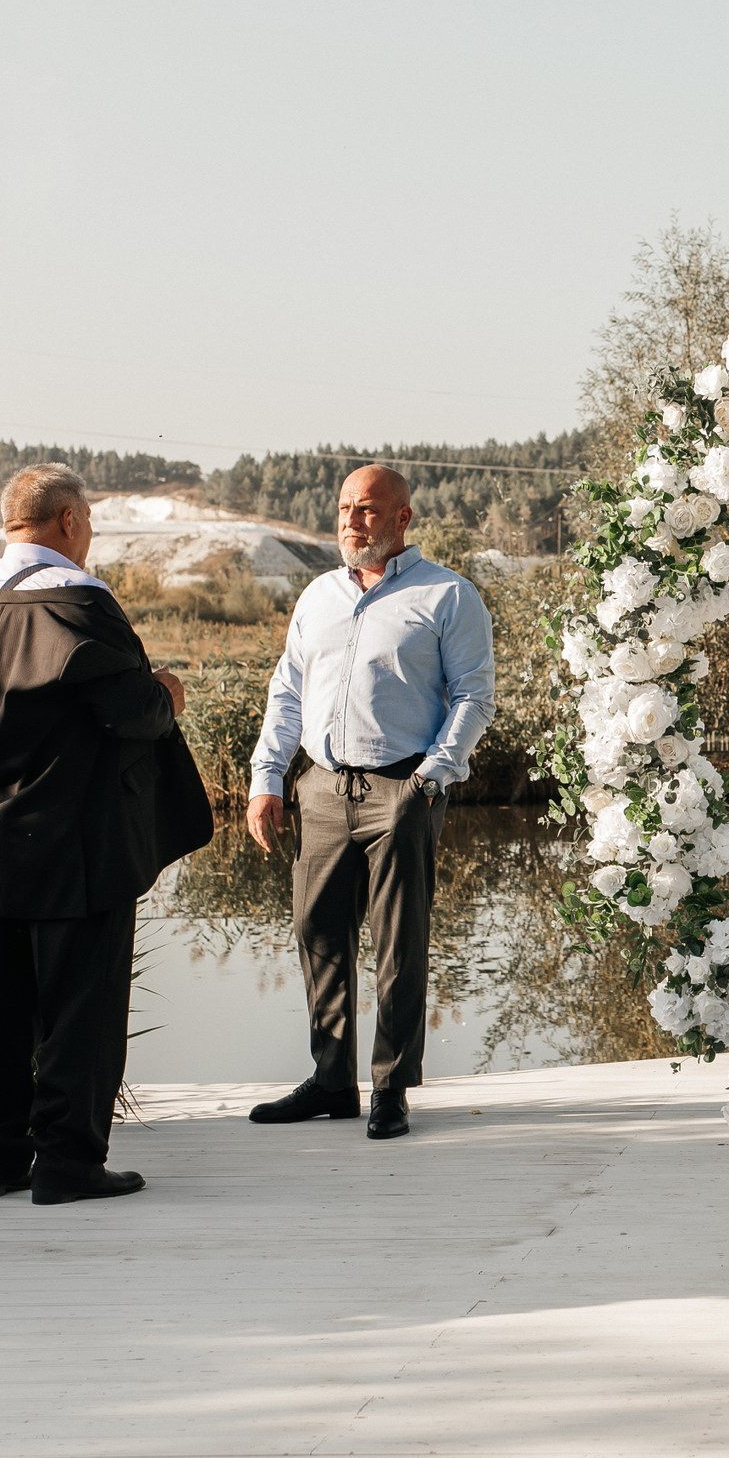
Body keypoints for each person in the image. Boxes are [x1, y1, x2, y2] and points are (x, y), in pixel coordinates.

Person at [0, 463, 213, 1205]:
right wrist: (167, 694)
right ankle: (69, 1164)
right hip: (81, 844)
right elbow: (130, 711)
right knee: (83, 1004)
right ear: (69, 521)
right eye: (90, 524)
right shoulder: (79, 604)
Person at [244, 464, 496, 1140]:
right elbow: (287, 692)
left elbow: (474, 696)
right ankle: (332, 1081)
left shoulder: (448, 594)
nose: (353, 522)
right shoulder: (318, 596)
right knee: (318, 935)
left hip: (402, 787)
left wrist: (430, 780)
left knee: (398, 944)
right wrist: (268, 778)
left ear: (403, 517)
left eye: (368, 510)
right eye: (345, 509)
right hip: (322, 786)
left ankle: (391, 1087)